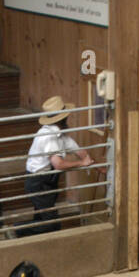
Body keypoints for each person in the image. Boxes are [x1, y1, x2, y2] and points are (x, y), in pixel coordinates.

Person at [21, 95, 93, 236]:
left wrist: (95, 164)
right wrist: (81, 163)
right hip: (38, 181)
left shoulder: (61, 135)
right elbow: (59, 164)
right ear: (63, 118)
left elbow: (80, 151)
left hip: (47, 180)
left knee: (41, 216)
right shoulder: (49, 137)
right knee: (52, 223)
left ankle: (34, 241)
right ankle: (18, 230)